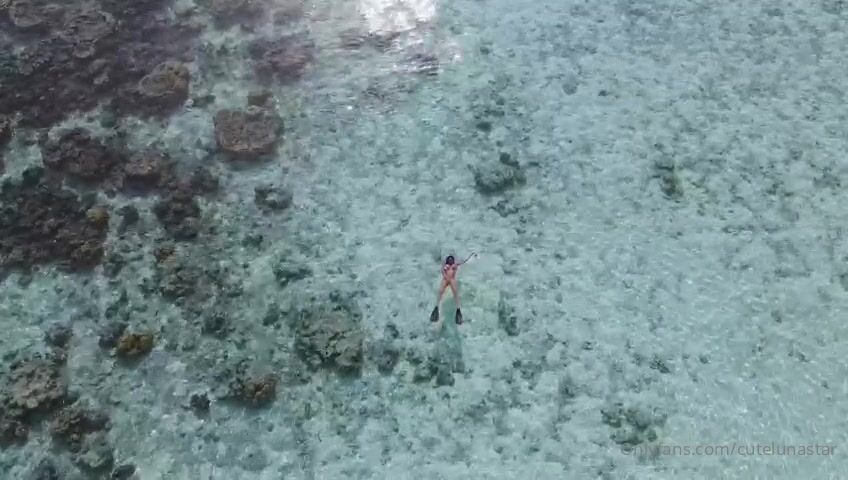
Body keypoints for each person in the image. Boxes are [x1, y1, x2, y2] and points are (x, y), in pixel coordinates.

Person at [430, 252, 476, 325]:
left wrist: (471, 256)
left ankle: (458, 309)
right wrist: (444, 274)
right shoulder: (445, 265)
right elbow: (442, 270)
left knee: (455, 293)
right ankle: (436, 307)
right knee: (440, 291)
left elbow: (464, 262)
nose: (450, 261)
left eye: (452, 260)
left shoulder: (455, 265)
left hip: (452, 279)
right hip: (445, 279)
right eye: (449, 260)